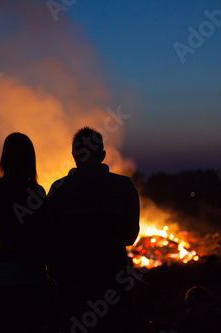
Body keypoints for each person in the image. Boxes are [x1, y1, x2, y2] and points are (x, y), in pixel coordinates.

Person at [47, 126, 140, 332]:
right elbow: (130, 236)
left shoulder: (58, 189)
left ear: (74, 156)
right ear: (103, 155)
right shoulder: (123, 186)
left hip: (72, 287)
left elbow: (49, 239)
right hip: (112, 286)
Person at [0, 132, 49, 333]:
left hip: (1, 276)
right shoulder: (37, 192)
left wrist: (3, 233)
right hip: (31, 277)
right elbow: (47, 233)